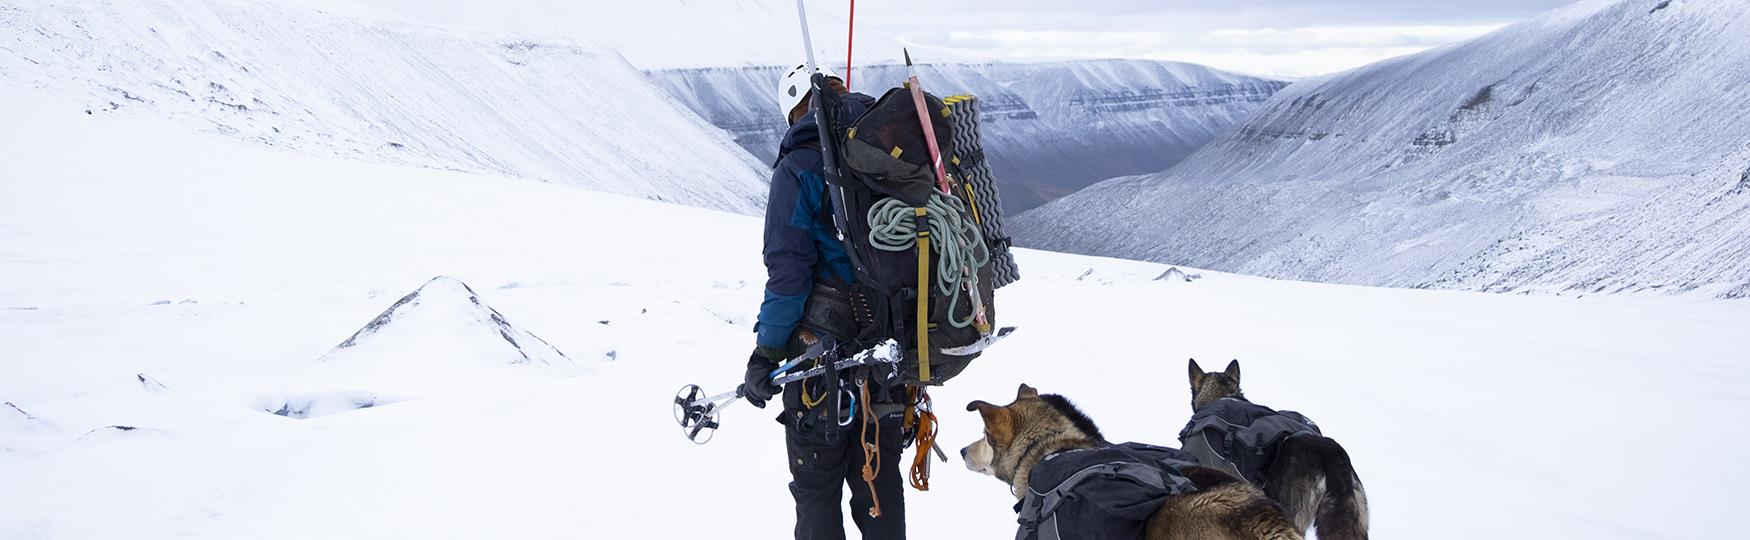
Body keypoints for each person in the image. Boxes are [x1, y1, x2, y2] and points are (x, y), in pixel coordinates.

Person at [742, 63, 907, 540]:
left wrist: (767, 352)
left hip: (822, 361)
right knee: (879, 488)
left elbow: (789, 275)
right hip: (892, 353)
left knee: (817, 494)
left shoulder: (799, 167)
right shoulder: (884, 147)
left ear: (794, 108)